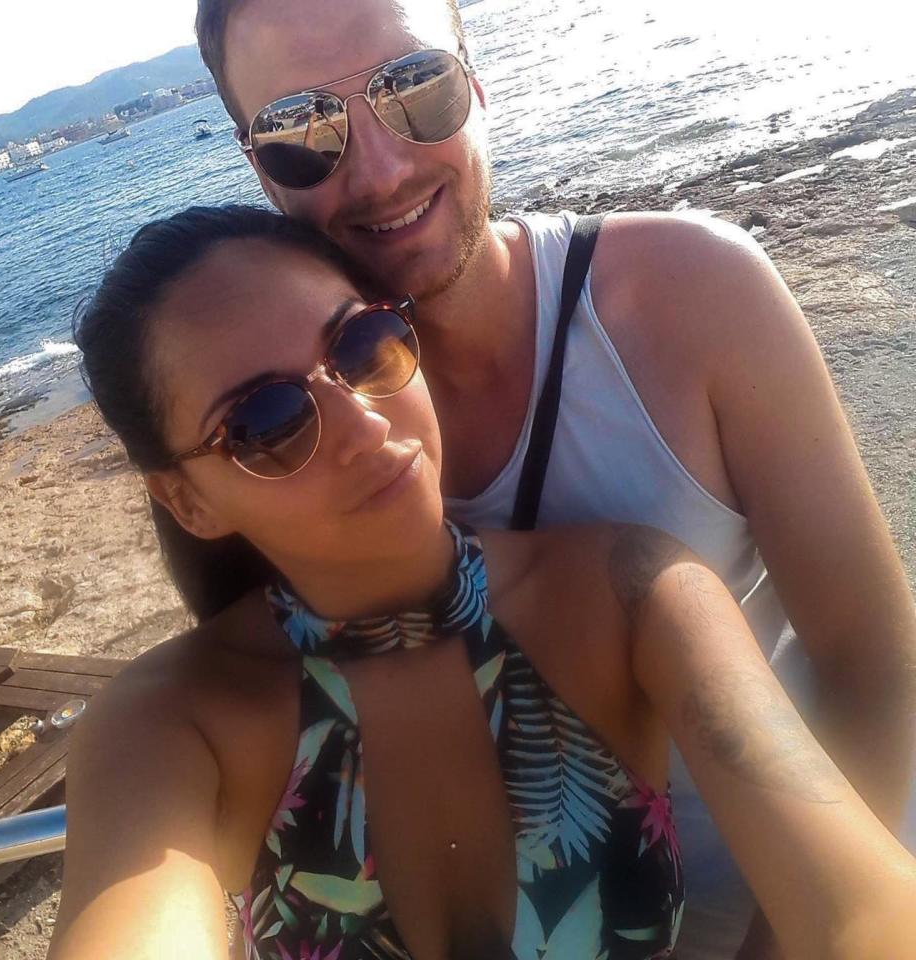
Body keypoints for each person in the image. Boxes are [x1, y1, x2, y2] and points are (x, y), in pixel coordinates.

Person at [195, 1, 916, 955]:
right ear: (259, 169)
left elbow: (878, 662)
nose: (380, 170)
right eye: (301, 131)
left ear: (478, 86)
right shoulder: (273, 449)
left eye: (415, 86)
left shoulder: (692, 293)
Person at [47, 205, 915, 960]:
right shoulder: (173, 725)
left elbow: (861, 902)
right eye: (265, 422)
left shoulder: (635, 596)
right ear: (188, 499)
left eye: (361, 344)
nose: (362, 424)